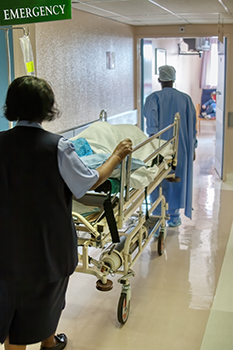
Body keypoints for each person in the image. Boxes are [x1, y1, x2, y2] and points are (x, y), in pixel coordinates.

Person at [0, 76, 132, 350]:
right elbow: (88, 181)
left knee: (12, 300)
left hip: (6, 244)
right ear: (47, 108)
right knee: (46, 297)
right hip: (47, 246)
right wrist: (116, 156)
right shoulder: (57, 147)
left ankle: (49, 340)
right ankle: (38, 343)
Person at [144, 65, 197, 227]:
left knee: (158, 179)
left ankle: (157, 214)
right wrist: (193, 147)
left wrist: (153, 147)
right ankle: (174, 216)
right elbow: (193, 126)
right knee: (178, 178)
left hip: (159, 148)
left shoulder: (153, 98)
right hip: (182, 148)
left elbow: (152, 129)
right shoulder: (186, 99)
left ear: (159, 79)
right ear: (174, 79)